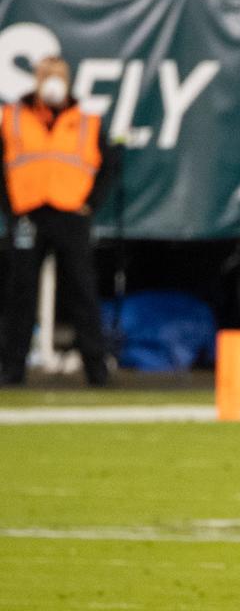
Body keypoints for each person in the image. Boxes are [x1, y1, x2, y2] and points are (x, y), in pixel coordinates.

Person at [0, 56, 119, 386]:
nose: (52, 82)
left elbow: (108, 165)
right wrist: (11, 207)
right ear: (36, 79)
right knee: (20, 293)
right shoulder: (13, 116)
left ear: (67, 80)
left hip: (70, 214)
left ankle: (96, 369)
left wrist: (90, 204)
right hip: (29, 212)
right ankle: (12, 368)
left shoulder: (84, 119)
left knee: (82, 290)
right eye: (46, 75)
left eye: (58, 76)